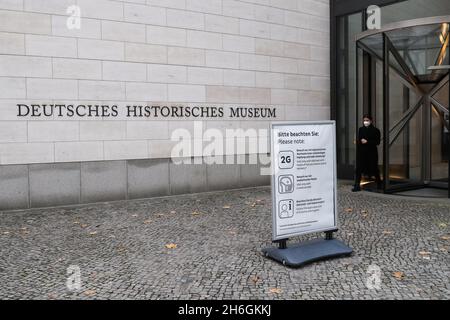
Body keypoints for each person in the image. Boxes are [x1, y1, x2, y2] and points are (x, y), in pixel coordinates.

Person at [352, 115, 382, 192]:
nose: (365, 122)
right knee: (358, 168)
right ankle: (357, 185)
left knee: (374, 168)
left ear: (371, 121)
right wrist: (358, 141)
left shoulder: (376, 130)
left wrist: (367, 141)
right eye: (364, 120)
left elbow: (377, 142)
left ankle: (379, 184)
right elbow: (358, 139)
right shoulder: (361, 129)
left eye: (367, 120)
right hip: (362, 152)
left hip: (371, 152)